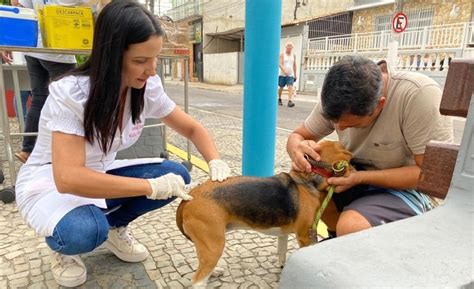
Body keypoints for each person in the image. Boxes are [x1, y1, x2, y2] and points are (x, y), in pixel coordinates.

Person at [15, 1, 231, 287]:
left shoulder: (145, 87)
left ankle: (116, 227)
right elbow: (68, 178)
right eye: (140, 61)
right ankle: (63, 248)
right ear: (111, 55)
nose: (151, 70)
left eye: (155, 59)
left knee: (177, 175)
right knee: (86, 231)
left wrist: (215, 160)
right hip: (51, 183)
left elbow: (191, 128)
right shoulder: (71, 95)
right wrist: (149, 187)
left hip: (100, 174)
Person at [286, 55, 452, 239]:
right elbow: (297, 135)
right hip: (355, 178)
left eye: (351, 125)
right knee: (302, 196)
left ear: (379, 105)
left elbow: (432, 177)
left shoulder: (417, 95)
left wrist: (360, 178)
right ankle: (337, 243)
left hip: (409, 190)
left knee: (351, 226)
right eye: (334, 122)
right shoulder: (337, 99)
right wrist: (298, 150)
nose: (339, 128)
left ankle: (350, 243)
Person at [13, 0, 78, 163]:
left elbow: (21, 8)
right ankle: (64, 150)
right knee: (69, 101)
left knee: (38, 99)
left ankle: (27, 149)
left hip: (35, 48)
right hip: (59, 50)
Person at [278, 42, 297, 108]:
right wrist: (284, 70)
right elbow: (280, 64)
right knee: (281, 87)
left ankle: (290, 101)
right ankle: (279, 98)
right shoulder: (282, 54)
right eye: (288, 46)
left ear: (292, 48)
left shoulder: (293, 55)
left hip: (290, 75)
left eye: (290, 46)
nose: (289, 47)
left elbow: (294, 65)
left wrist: (295, 74)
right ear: (286, 47)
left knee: (290, 87)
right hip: (282, 74)